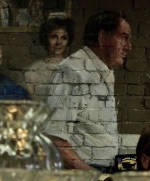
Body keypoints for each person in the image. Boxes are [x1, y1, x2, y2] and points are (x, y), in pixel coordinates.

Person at [45, 11, 132, 170]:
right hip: (81, 176)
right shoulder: (72, 71)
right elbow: (56, 141)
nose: (128, 47)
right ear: (103, 37)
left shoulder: (104, 71)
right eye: (124, 38)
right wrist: (95, 178)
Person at [22, 16, 75, 100]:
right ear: (46, 39)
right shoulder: (32, 72)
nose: (59, 42)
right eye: (54, 37)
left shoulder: (75, 69)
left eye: (64, 38)